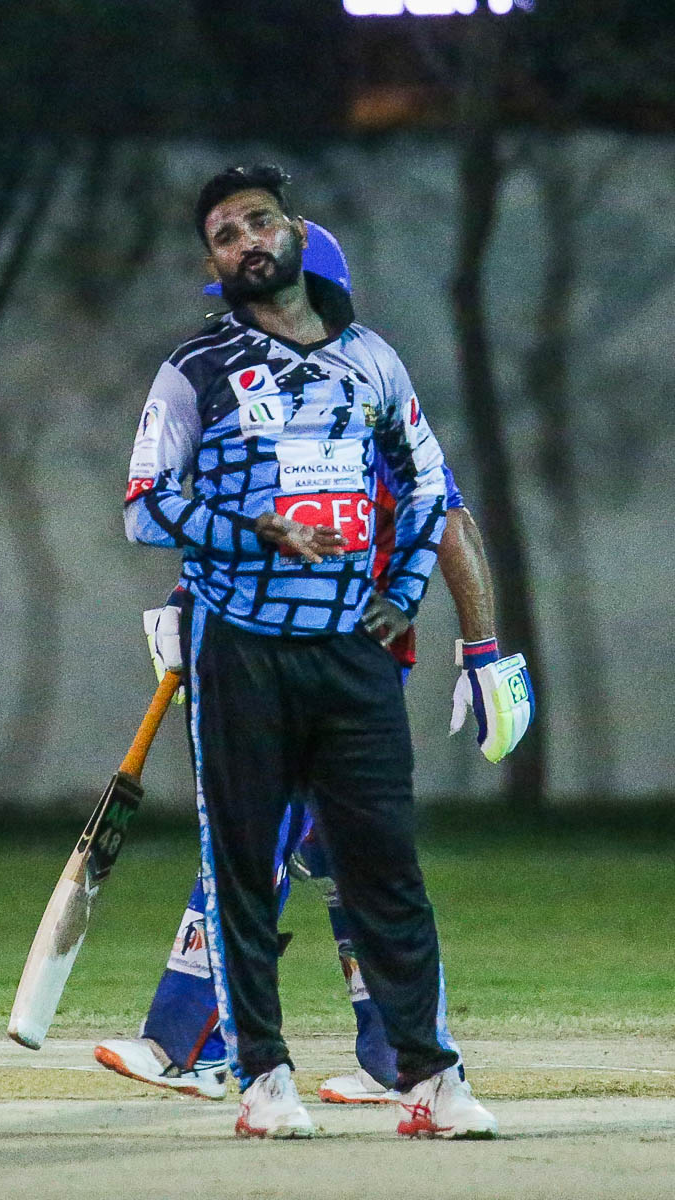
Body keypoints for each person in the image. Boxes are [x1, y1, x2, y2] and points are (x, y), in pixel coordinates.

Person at [99, 223, 534, 1110]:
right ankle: (391, 1058)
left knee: (258, 847)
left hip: (347, 663)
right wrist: (187, 606)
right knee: (339, 861)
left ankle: (186, 1043)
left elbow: (448, 520)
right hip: (266, 654)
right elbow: (235, 526)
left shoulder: (364, 394)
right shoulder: (248, 393)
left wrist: (485, 652)